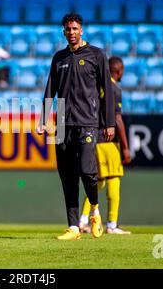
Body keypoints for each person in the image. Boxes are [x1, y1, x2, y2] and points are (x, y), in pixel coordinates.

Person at [37, 13, 115, 240]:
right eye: (67, 29)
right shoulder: (59, 58)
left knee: (87, 171)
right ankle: (73, 227)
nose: (71, 32)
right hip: (62, 124)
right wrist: (44, 119)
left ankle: (95, 210)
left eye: (74, 28)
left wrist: (108, 122)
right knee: (67, 176)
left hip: (87, 122)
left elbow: (107, 91)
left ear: (82, 30)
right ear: (64, 32)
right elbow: (50, 90)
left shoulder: (97, 55)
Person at [79, 56, 132, 235]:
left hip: (93, 137)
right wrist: (125, 147)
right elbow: (117, 119)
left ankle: (83, 220)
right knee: (114, 179)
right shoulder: (113, 89)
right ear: (118, 70)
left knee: (98, 181)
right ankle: (112, 224)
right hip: (107, 140)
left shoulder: (95, 87)